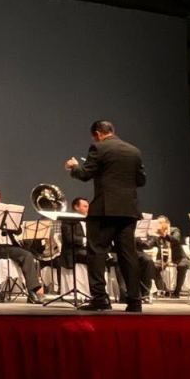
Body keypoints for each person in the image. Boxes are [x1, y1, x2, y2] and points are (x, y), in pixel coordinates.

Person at [65, 120, 146, 312]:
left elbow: (85, 175)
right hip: (128, 210)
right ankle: (135, 301)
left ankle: (100, 299)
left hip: (104, 210)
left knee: (97, 252)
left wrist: (74, 166)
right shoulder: (134, 151)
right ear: (112, 131)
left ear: (97, 134)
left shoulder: (98, 148)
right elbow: (141, 180)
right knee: (128, 255)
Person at [0, 186, 44, 303]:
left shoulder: (8, 212)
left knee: (27, 255)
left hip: (8, 247)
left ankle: (32, 292)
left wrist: (12, 223)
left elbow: (18, 231)